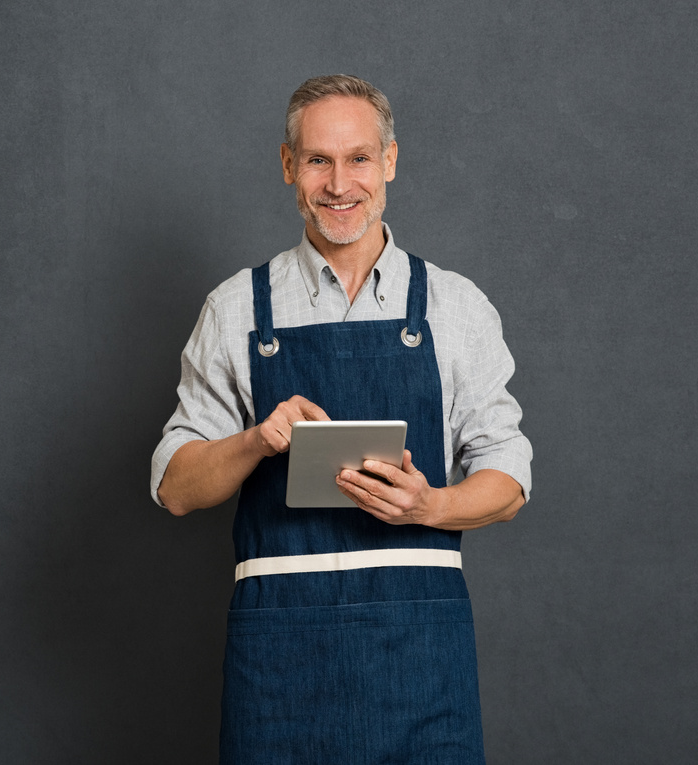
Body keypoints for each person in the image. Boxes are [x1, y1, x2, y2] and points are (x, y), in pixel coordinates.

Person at [150, 75, 532, 763]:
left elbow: (508, 478)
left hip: (421, 656)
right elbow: (177, 488)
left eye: (357, 158)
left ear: (389, 161)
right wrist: (256, 439)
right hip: (278, 657)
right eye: (318, 160)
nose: (338, 184)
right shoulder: (236, 309)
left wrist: (431, 502)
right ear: (288, 165)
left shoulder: (455, 307)